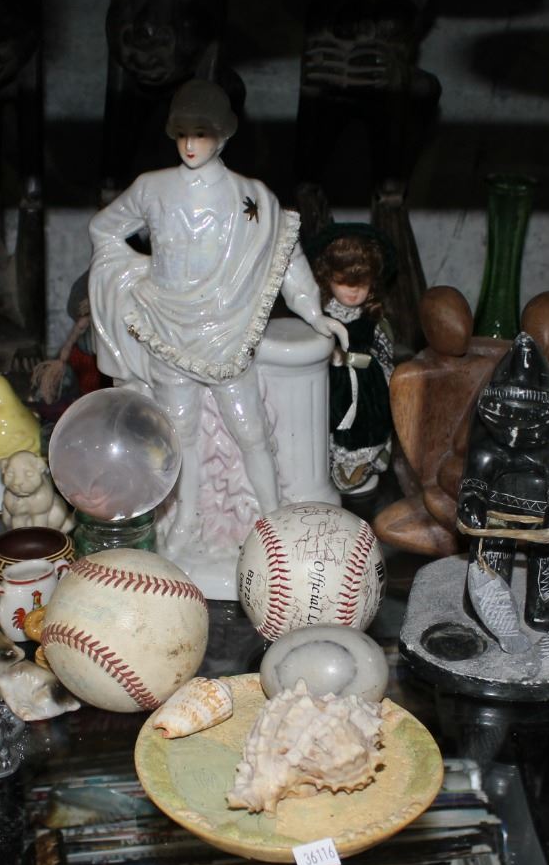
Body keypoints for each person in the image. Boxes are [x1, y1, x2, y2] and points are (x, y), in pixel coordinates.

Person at [88, 79, 346, 550]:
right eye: (183, 133)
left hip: (227, 334)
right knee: (179, 433)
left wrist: (314, 310)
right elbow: (104, 228)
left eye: (202, 133)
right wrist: (135, 274)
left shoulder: (251, 197)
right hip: (168, 330)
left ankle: (271, 515)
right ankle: (186, 519)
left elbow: (285, 255)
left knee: (250, 429)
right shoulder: (152, 188)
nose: (190, 144)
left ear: (224, 135)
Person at [311, 224, 396, 496]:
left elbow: (386, 358)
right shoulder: (319, 318)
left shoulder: (373, 321)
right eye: (342, 281)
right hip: (329, 386)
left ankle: (362, 465)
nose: (353, 290)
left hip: (366, 391)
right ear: (327, 277)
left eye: (362, 282)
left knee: (367, 425)